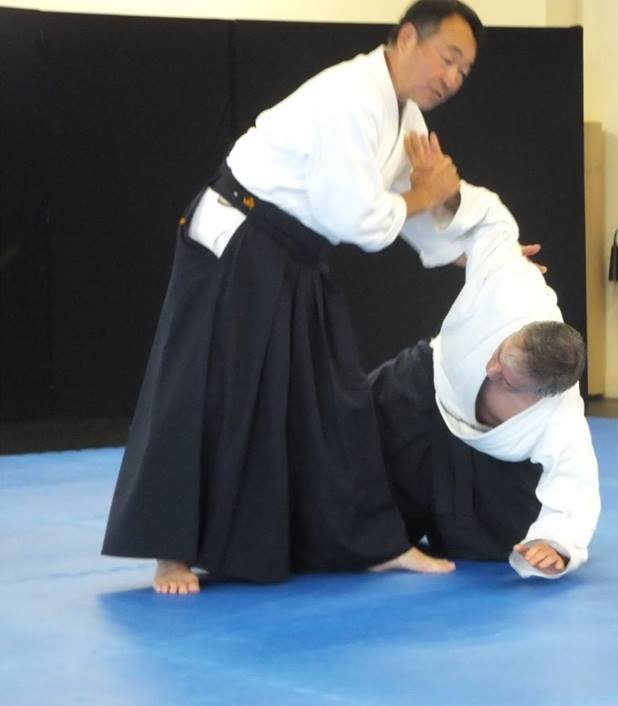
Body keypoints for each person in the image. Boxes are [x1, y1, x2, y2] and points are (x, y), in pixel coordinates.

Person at [102, 1, 483, 594]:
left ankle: (373, 544)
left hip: (293, 253)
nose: (453, 78)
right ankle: (170, 551)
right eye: (448, 58)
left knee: (333, 398)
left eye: (464, 71)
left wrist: (475, 250)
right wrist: (427, 194)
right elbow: (356, 217)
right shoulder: (349, 97)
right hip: (237, 240)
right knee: (206, 392)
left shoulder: (403, 116)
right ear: (408, 37)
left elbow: (409, 214)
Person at [370, 141, 601, 579]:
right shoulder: (513, 284)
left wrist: (555, 542)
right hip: (423, 389)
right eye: (499, 355)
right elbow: (492, 218)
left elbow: (575, 483)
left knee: (502, 542)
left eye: (505, 379)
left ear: (540, 393)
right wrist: (447, 193)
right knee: (340, 437)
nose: (490, 369)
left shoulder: (560, 414)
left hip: (486, 464)